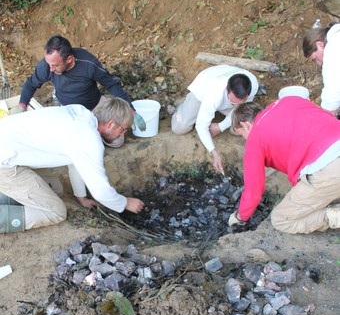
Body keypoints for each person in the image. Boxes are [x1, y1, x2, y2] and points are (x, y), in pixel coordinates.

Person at [0, 97, 144, 233]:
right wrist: (125, 203)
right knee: (56, 212)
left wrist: (80, 197)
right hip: (4, 163)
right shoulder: (89, 140)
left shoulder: (81, 113)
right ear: (111, 124)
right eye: (123, 129)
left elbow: (75, 161)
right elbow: (101, 193)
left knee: (55, 188)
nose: (121, 135)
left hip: (8, 149)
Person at [227, 96, 340, 234]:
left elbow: (253, 193)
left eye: (242, 134)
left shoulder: (255, 138)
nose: (246, 139)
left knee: (281, 220)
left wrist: (240, 217)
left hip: (329, 169)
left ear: (245, 125)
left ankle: (334, 216)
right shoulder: (289, 100)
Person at [12, 35, 146, 147]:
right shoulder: (47, 65)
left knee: (117, 141)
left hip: (94, 106)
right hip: (67, 109)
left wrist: (132, 111)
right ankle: (90, 135)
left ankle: (93, 133)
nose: (50, 69)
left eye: (55, 65)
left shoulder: (88, 63)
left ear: (69, 59)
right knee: (68, 142)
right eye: (49, 64)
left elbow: (111, 84)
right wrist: (21, 105)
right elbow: (30, 84)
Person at [171, 65, 259, 173]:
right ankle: (183, 106)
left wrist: (220, 127)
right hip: (203, 88)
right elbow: (201, 126)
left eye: (239, 103)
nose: (236, 105)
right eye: (233, 102)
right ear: (227, 90)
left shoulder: (253, 84)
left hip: (221, 99)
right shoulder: (213, 93)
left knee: (241, 127)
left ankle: (216, 109)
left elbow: (239, 108)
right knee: (180, 127)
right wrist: (214, 153)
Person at [302, 22, 340, 117]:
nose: (320, 63)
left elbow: (332, 96)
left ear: (319, 44)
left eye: (316, 59)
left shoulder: (332, 50)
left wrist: (324, 120)